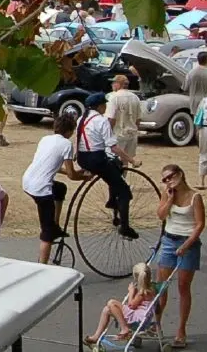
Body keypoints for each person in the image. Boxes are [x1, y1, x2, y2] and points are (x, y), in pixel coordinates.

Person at [154, 163, 204, 348]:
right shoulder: (167, 193)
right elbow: (160, 215)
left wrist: (186, 245)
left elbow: (199, 224)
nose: (169, 181)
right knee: (161, 286)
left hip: (188, 242)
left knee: (183, 286)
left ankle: (181, 330)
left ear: (180, 174)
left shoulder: (195, 197)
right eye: (165, 179)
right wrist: (168, 200)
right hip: (169, 239)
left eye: (171, 177)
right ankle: (155, 324)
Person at [77, 92, 138, 239]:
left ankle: (112, 200)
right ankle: (125, 227)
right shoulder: (101, 121)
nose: (106, 107)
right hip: (96, 160)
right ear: (99, 106)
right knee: (125, 192)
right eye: (104, 104)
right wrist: (132, 160)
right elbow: (113, 147)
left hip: (83, 158)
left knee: (115, 164)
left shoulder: (82, 118)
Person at [23, 113, 81, 264]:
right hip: (41, 190)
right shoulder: (67, 145)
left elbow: (51, 165)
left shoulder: (45, 139)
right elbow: (71, 175)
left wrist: (76, 173)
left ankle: (55, 224)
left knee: (60, 188)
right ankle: (42, 266)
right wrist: (85, 176)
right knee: (47, 234)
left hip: (28, 181)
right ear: (69, 131)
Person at [84, 261, 158, 346]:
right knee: (106, 310)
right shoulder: (151, 288)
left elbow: (131, 305)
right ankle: (96, 336)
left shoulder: (142, 293)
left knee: (112, 303)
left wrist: (131, 292)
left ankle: (124, 328)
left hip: (136, 317)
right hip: (139, 315)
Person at [104, 73, 142, 160]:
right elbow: (138, 119)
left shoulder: (113, 97)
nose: (112, 85)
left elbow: (111, 118)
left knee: (114, 160)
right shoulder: (135, 97)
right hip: (132, 134)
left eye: (114, 83)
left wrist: (107, 135)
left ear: (118, 84)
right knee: (126, 160)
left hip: (118, 134)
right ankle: (124, 174)